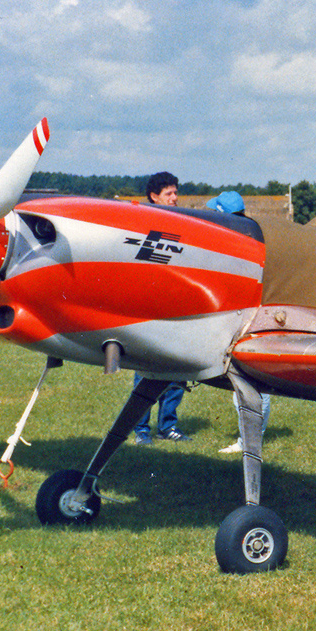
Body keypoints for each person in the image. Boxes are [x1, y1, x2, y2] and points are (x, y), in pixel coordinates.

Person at [206, 190, 272, 454]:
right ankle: (249, 439)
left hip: (249, 318)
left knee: (252, 386)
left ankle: (249, 443)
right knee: (246, 385)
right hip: (246, 315)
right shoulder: (253, 235)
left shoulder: (236, 241)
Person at [132, 172, 191, 444]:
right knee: (146, 370)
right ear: (154, 196)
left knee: (178, 370)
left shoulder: (184, 224)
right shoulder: (144, 226)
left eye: (176, 192)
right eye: (169, 193)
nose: (175, 198)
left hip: (179, 306)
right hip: (152, 308)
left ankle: (168, 426)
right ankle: (141, 429)